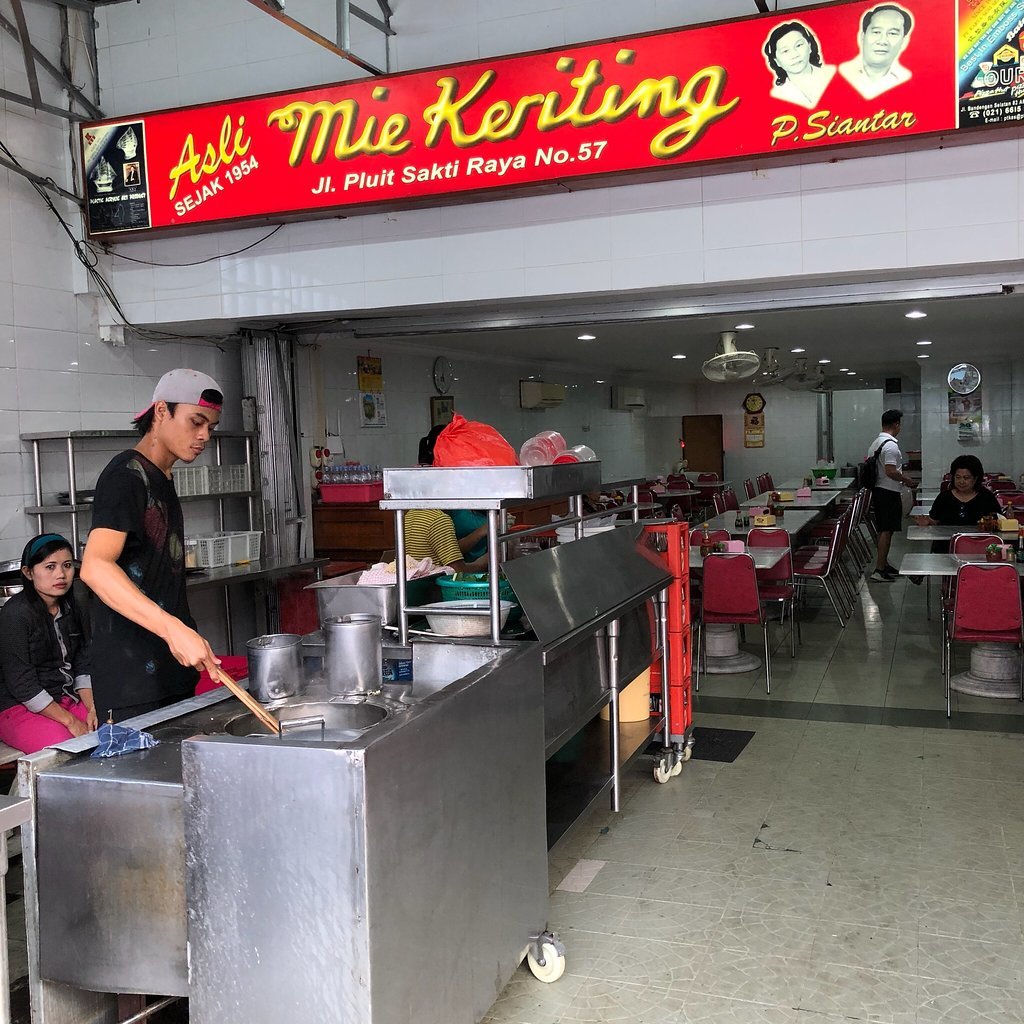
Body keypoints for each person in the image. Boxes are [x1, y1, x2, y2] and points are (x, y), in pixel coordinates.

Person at [80, 369, 224, 722]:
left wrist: (184, 631)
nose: (204, 436)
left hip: (168, 671)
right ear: (161, 411)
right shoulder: (126, 476)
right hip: (132, 680)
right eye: (196, 422)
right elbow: (95, 567)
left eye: (211, 427)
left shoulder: (162, 475)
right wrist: (173, 628)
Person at [0, 534, 98, 753]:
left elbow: (83, 662)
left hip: (66, 698)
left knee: (110, 728)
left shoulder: (73, 607)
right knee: (66, 748)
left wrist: (92, 709)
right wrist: (71, 722)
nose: (61, 574)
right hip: (18, 708)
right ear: (28, 572)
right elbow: (22, 685)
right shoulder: (16, 615)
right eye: (50, 567)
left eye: (67, 565)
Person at [406, 426, 489, 572]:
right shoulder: (440, 520)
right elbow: (456, 572)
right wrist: (485, 561)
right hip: (441, 587)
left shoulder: (411, 514)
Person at [867, 409, 917, 583]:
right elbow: (890, 471)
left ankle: (884, 565)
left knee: (885, 530)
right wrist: (907, 480)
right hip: (888, 492)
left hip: (879, 491)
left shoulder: (875, 443)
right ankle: (879, 569)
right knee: (886, 532)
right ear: (896, 424)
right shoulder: (890, 446)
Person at [914, 456, 1000, 542]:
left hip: (980, 546)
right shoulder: (944, 497)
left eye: (966, 478)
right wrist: (927, 522)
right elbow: (935, 520)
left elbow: (998, 522)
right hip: (946, 547)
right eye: (958, 477)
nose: (961, 481)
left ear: (975, 478)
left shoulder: (987, 497)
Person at [838, 4, 913, 100]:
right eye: (876, 32)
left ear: (904, 41)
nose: (882, 41)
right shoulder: (841, 73)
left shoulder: (906, 78)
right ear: (862, 36)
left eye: (892, 33)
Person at [764, 21, 836, 109]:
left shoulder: (833, 75)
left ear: (809, 46)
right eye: (785, 51)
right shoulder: (777, 95)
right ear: (776, 61)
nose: (795, 55)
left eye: (798, 45)